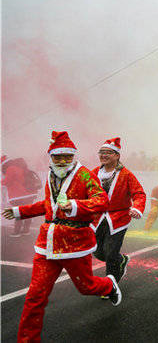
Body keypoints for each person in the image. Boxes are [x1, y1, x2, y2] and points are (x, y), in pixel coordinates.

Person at [1, 131, 122, 342]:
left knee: (86, 287)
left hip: (76, 245)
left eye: (67, 156)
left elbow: (101, 201)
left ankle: (110, 285)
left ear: (73, 156)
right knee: (34, 297)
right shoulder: (50, 175)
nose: (63, 160)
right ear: (51, 157)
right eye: (58, 156)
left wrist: (75, 206)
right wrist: (21, 211)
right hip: (46, 246)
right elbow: (49, 206)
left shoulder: (85, 175)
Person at [91, 138, 146, 286]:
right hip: (97, 218)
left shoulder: (126, 174)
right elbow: (83, 191)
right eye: (101, 152)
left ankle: (110, 285)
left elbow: (139, 193)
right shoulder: (94, 173)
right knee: (96, 251)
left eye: (108, 152)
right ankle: (121, 260)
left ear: (117, 155)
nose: (104, 155)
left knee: (110, 252)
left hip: (118, 218)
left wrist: (136, 208)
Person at [1, 155, 42, 236]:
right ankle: (26, 230)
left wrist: (2, 180)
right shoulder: (22, 168)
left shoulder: (10, 169)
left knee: (18, 213)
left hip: (19, 195)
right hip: (30, 193)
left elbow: (6, 181)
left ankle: (16, 232)